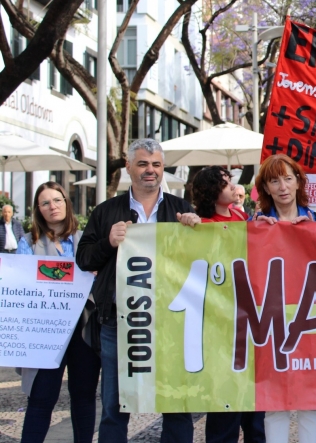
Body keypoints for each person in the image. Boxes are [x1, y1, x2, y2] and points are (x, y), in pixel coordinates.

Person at [76, 139, 200, 443]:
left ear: (163, 168)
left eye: (156, 164)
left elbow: (199, 261)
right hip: (119, 323)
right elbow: (84, 258)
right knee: (114, 406)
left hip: (171, 322)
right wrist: (108, 242)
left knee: (177, 404)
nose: (150, 170)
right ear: (128, 167)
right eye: (143, 163)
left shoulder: (180, 208)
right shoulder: (106, 211)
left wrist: (197, 230)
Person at [253, 154, 316, 443]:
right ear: (266, 188)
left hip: (312, 322)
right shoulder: (255, 224)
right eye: (274, 181)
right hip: (272, 325)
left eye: (288, 178)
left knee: (311, 400)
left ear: (299, 182)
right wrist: (256, 233)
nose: (282, 187)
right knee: (275, 402)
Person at [16, 182, 101, 443]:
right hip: (46, 331)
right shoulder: (28, 243)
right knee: (41, 398)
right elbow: (21, 285)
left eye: (57, 200)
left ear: (66, 203)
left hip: (84, 328)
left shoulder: (87, 239)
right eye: (45, 203)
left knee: (84, 397)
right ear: (38, 210)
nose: (52, 206)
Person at [190, 166, 264, 443]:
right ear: (211, 191)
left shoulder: (241, 217)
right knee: (224, 405)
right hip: (219, 326)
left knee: (254, 410)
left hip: (247, 322)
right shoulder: (201, 224)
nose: (233, 186)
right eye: (225, 183)